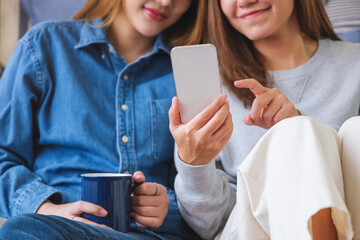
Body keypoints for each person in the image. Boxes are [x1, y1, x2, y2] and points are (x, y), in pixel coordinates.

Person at [0, 0, 206, 239]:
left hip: (148, 235)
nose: (165, 2)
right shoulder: (43, 46)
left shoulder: (191, 69)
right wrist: (46, 209)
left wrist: (167, 208)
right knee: (23, 230)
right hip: (50, 228)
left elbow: (202, 183)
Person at [169, 0, 360, 239]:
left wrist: (296, 136)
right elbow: (210, 224)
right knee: (296, 131)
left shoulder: (355, 64)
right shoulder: (208, 87)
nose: (245, 1)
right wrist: (194, 164)